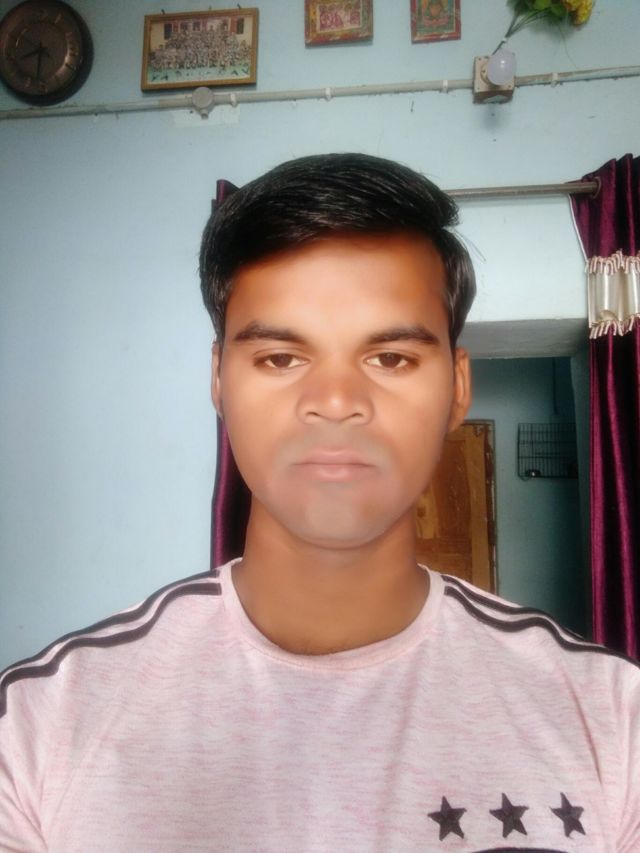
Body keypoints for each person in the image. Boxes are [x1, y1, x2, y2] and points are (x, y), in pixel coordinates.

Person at [0, 153, 638, 852]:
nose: (335, 402)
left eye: (390, 358)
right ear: (218, 379)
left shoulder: (613, 719)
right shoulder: (34, 728)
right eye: (280, 358)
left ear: (458, 387)